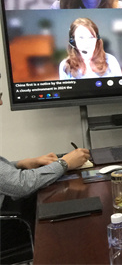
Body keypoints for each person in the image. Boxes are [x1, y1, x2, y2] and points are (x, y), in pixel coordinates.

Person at [0, 75, 91, 251]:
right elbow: (21, 185)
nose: (1, 102)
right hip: (9, 227)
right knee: (70, 229)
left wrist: (21, 163)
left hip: (10, 207)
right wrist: (64, 163)